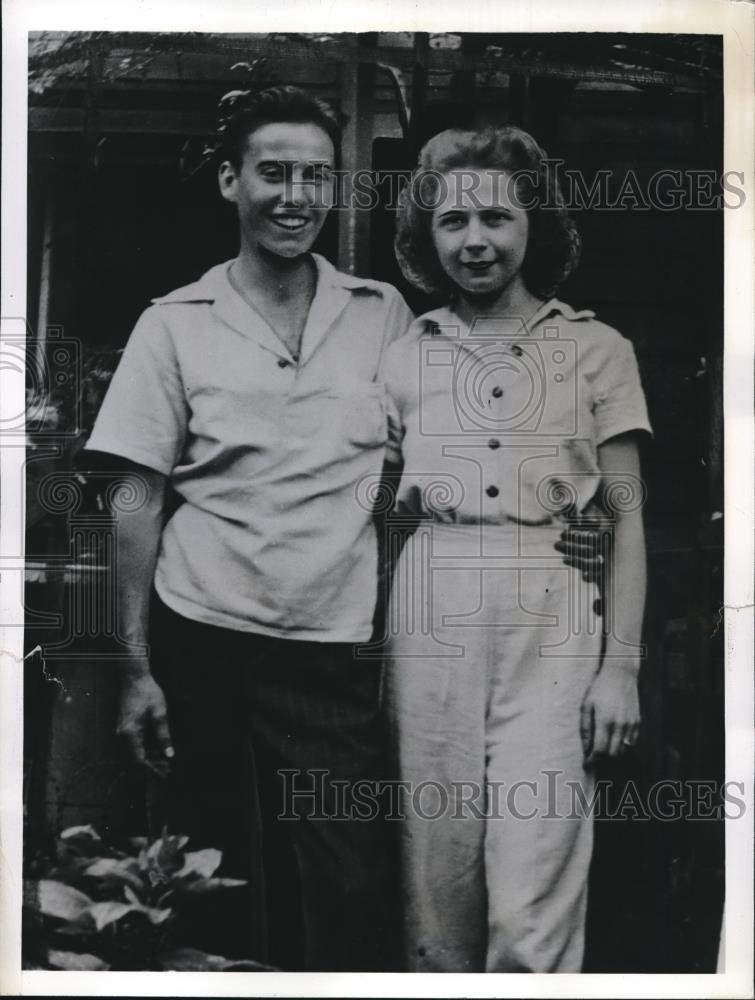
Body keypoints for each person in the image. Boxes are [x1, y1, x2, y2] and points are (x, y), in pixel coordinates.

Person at [84, 85, 415, 971]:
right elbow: (134, 496)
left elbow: (447, 458)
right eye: (273, 173)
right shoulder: (174, 323)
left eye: (315, 175)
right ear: (231, 181)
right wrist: (136, 670)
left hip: (332, 649)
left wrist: (561, 518)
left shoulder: (382, 314)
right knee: (209, 881)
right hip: (204, 637)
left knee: (346, 888)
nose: (295, 195)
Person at [381, 127, 652, 972]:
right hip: (431, 608)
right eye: (453, 223)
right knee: (434, 882)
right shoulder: (402, 355)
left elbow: (626, 513)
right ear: (427, 235)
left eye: (496, 218)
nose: (475, 241)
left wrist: (621, 667)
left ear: (533, 222)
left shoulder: (597, 348)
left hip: (555, 613)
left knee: (535, 880)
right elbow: (371, 510)